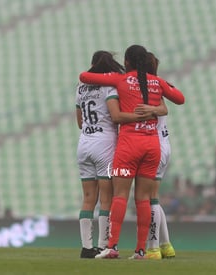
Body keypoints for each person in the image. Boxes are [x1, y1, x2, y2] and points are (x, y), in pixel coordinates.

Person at [80, 44, 184, 259]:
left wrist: (105, 69)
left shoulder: (121, 80)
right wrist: (155, 109)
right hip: (152, 147)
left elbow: (84, 77)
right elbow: (179, 98)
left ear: (127, 62)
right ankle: (141, 250)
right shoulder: (157, 82)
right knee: (144, 199)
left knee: (120, 196)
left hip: (129, 147)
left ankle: (112, 246)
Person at [75, 50, 154, 258]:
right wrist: (139, 117)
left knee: (88, 198)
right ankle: (103, 246)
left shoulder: (81, 88)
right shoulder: (108, 87)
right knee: (106, 198)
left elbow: (79, 121)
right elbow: (116, 116)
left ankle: (86, 247)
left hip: (84, 143)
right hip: (105, 145)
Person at [133, 52, 176, 259]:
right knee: (153, 199)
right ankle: (166, 245)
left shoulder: (144, 91)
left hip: (154, 146)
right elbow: (166, 107)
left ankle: (153, 248)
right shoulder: (157, 88)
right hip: (163, 144)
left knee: (149, 199)